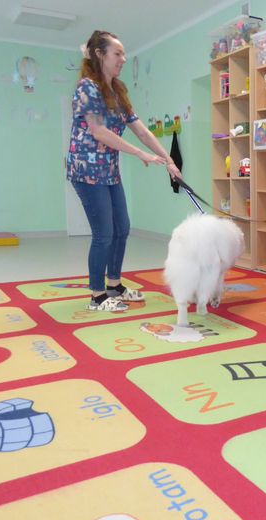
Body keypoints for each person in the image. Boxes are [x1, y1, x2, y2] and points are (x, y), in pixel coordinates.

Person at [66, 30, 182, 311]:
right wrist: (140, 154)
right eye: (117, 53)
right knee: (104, 233)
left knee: (122, 227)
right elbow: (98, 131)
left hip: (108, 171)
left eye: (124, 54)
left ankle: (114, 285)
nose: (123, 59)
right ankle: (97, 296)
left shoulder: (117, 91)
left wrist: (168, 160)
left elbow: (142, 131)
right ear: (99, 54)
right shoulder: (87, 87)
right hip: (86, 170)